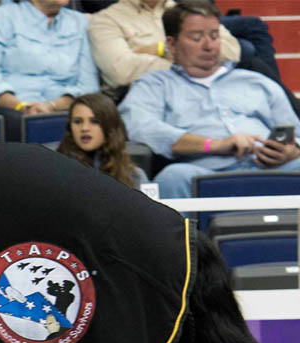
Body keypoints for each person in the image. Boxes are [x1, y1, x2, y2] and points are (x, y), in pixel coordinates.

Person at [120, 0, 300, 199]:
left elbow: (295, 130)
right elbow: (139, 126)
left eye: (214, 36)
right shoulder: (154, 85)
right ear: (172, 44)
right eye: (196, 37)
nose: (209, 45)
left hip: (272, 169)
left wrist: (292, 151)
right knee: (172, 177)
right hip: (205, 174)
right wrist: (213, 144)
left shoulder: (255, 80)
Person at [0, 0, 99, 142]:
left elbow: (89, 85)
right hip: (9, 109)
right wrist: (20, 106)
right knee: (16, 122)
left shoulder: (79, 23)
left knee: (97, 114)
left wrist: (52, 106)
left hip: (64, 109)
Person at [88, 0, 239, 97]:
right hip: (145, 95)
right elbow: (120, 70)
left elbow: (232, 51)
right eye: (195, 37)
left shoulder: (186, 12)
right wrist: (187, 65)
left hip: (203, 87)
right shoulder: (105, 19)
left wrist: (161, 50)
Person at [56, 93, 149, 187]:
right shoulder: (56, 170)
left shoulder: (135, 176)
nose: (84, 128)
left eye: (94, 121)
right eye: (77, 121)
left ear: (109, 126)